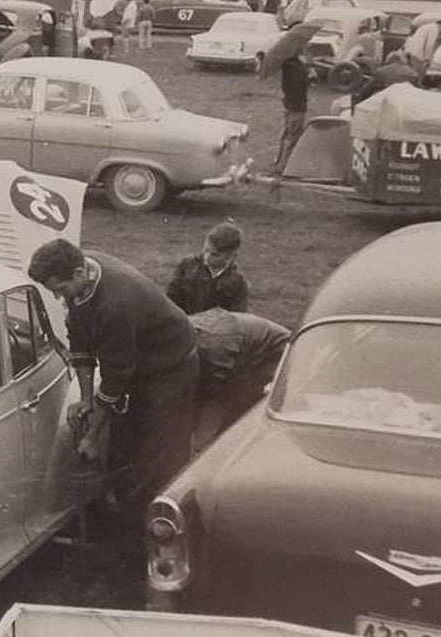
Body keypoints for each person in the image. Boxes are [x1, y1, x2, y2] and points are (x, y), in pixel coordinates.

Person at [28, 239, 199, 557]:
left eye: (59, 288)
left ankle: (156, 538)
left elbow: (117, 376)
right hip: (134, 364)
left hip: (169, 367)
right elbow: (80, 345)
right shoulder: (82, 280)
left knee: (159, 452)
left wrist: (92, 437)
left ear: (79, 272)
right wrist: (87, 401)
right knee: (124, 441)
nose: (57, 296)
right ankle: (128, 518)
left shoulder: (116, 304)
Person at [189, 307, 290, 448]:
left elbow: (214, 390)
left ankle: (213, 447)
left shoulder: (215, 345)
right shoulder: (187, 331)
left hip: (274, 355)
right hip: (243, 350)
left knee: (230, 405)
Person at [166, 222, 250, 315]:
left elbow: (235, 319)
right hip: (183, 323)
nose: (207, 257)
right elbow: (170, 300)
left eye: (215, 255)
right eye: (206, 250)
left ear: (231, 256)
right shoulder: (187, 266)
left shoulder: (238, 284)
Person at [273, 45, 311, 175]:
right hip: (297, 106)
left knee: (286, 135)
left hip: (290, 105)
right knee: (293, 137)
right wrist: (306, 69)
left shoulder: (289, 65)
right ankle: (284, 167)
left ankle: (279, 163)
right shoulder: (296, 67)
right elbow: (301, 84)